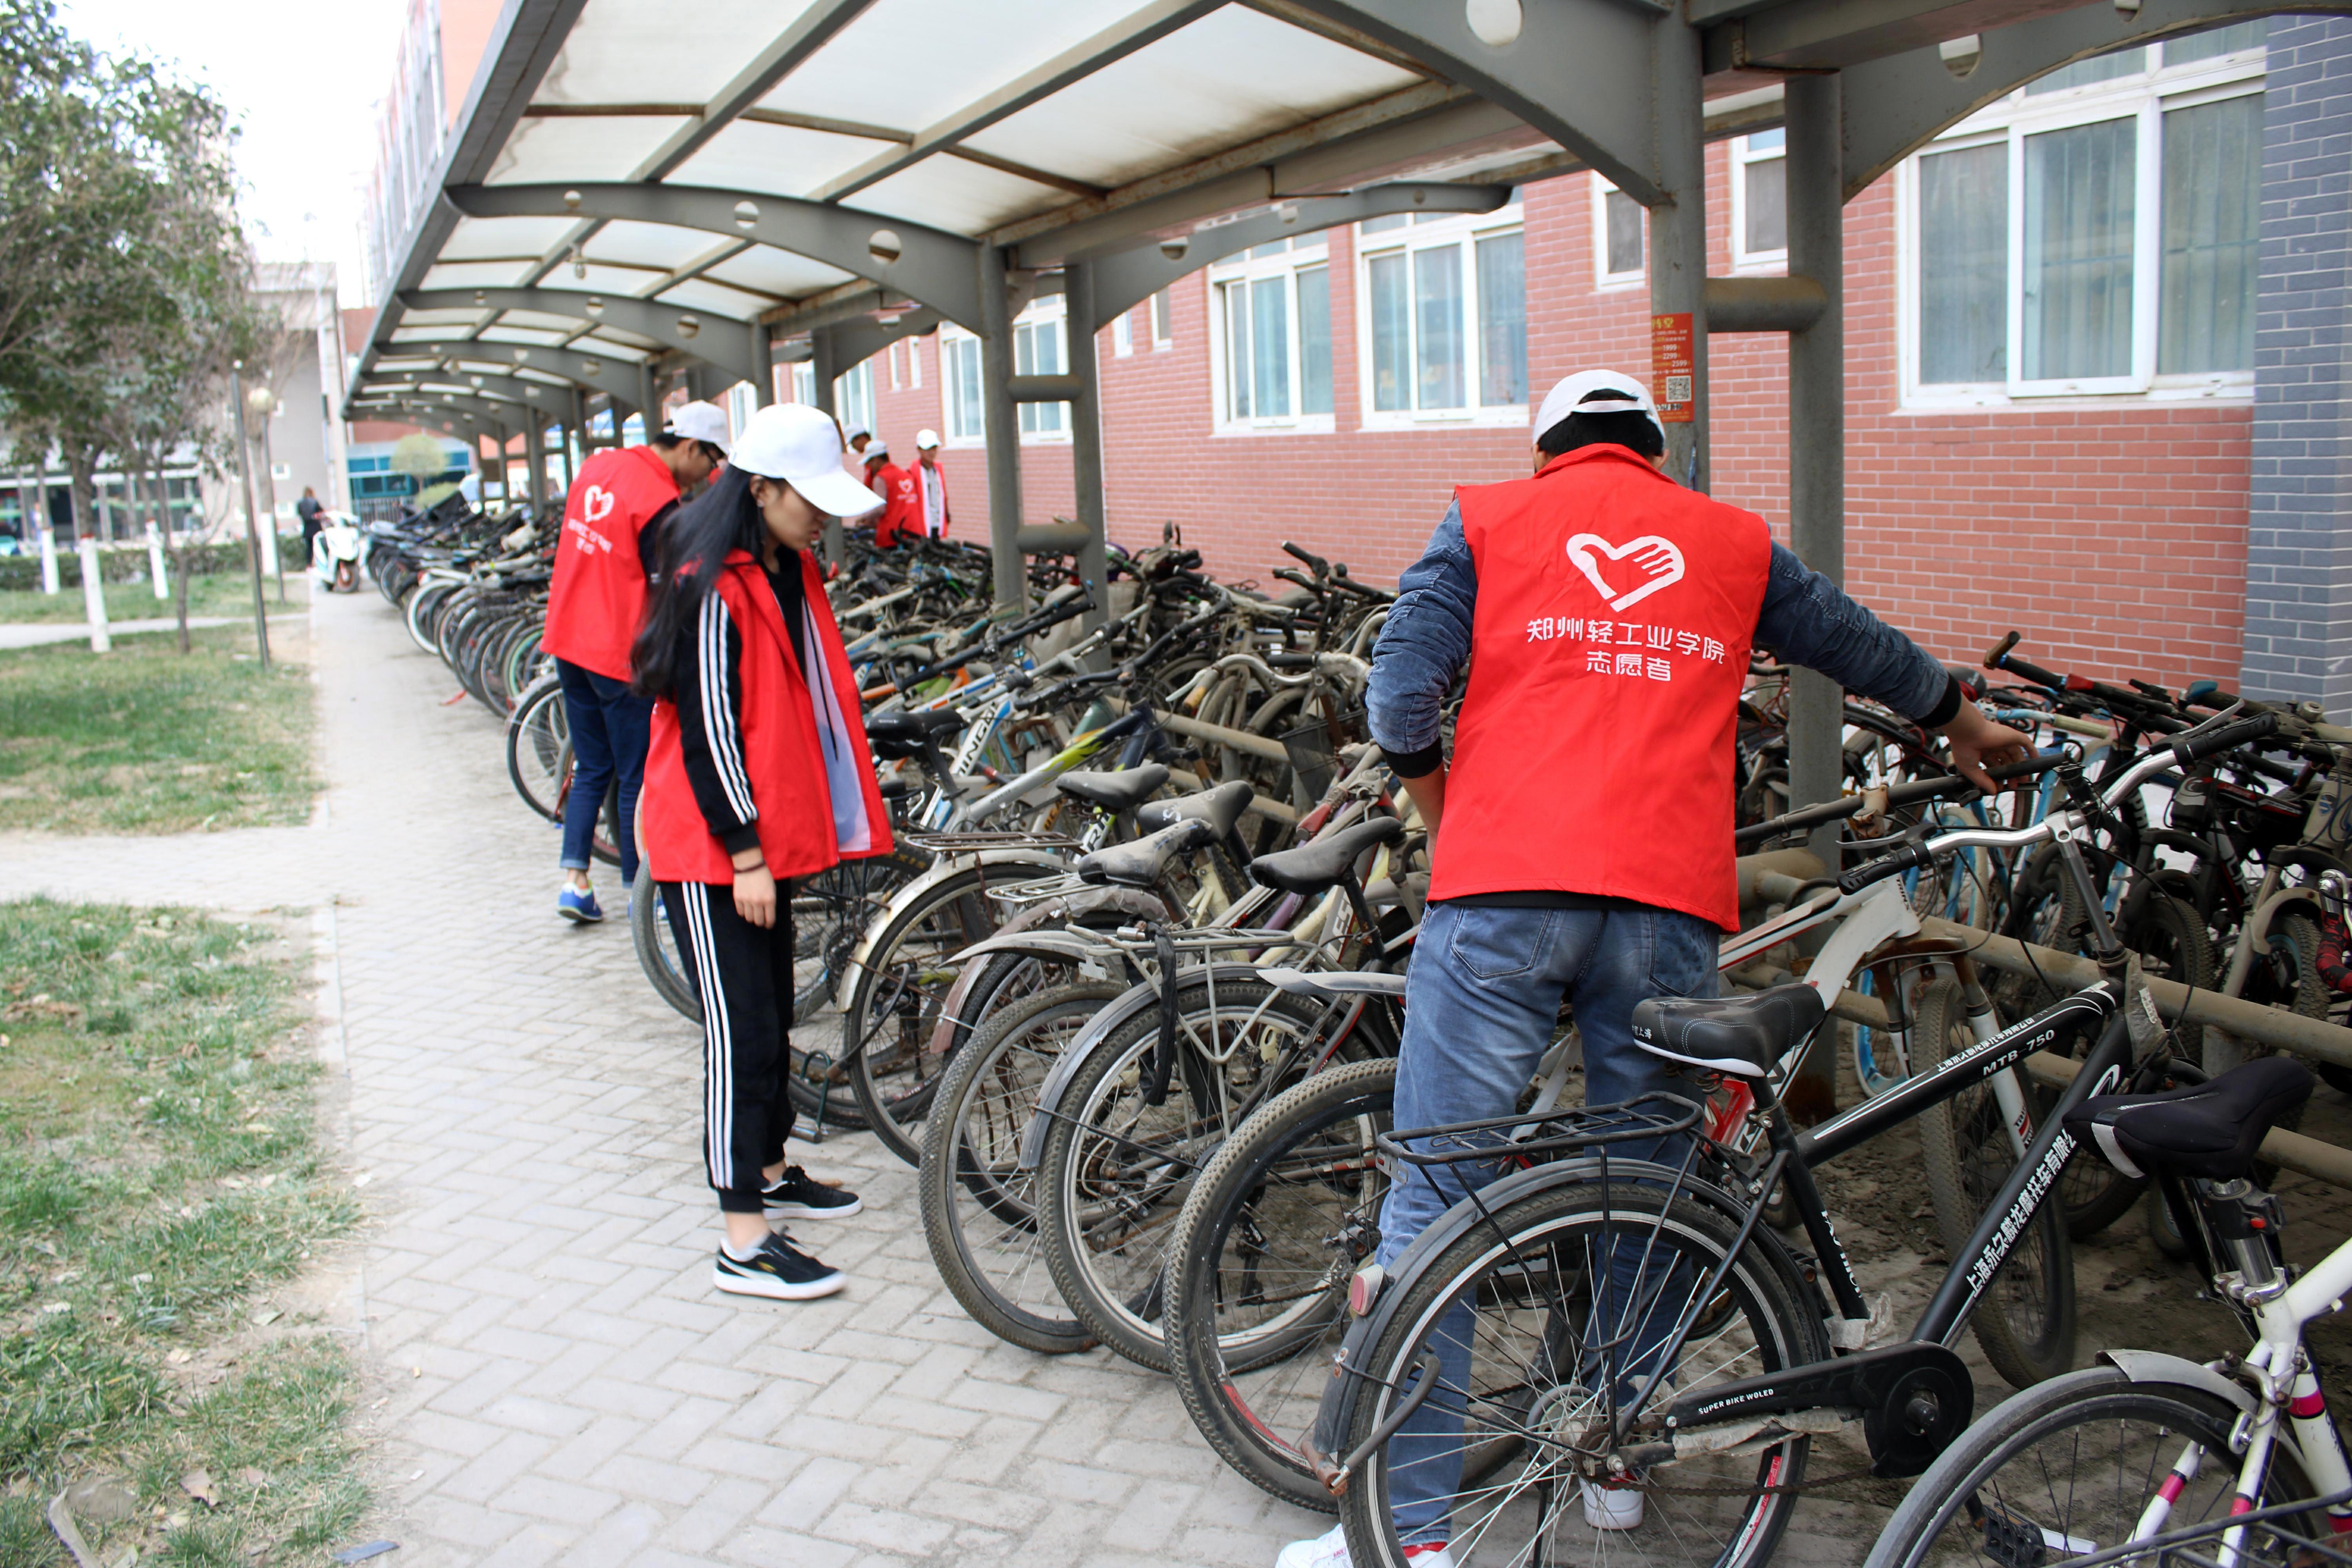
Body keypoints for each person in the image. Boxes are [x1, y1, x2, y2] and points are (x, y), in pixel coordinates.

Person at [1274, 371, 2032, 1568]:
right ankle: (1615, 1465)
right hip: (1663, 904)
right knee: (1649, 1189)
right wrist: (1960, 718)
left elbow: (1400, 699)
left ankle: (1407, 1535)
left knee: (1437, 1202)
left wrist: (1446, 811)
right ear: (1655, 455)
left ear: (1545, 454)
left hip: (1502, 892)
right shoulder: (1728, 540)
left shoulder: (1486, 517)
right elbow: (1851, 642)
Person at [630, 403, 892, 1301]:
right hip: (711, 846)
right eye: (809, 500)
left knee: (771, 1010)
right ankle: (742, 1235)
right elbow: (709, 729)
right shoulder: (709, 580)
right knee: (738, 1029)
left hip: (758, 839)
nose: (822, 518)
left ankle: (772, 1167)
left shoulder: (785, 565)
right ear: (762, 489)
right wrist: (744, 853)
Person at [539, 400, 730, 924]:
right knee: (636, 774)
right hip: (614, 651)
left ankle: (575, 882)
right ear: (690, 447)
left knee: (591, 765)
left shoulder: (599, 465)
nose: (708, 474)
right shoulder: (658, 500)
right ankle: (640, 891)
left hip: (568, 639)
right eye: (711, 460)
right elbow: (668, 586)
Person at [863, 440, 916, 549]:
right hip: (913, 533)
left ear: (876, 460)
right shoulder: (906, 475)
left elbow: (880, 509)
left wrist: (862, 518)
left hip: (892, 536)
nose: (869, 466)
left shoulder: (881, 478)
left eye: (869, 462)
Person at [909, 428, 950, 539]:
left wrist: (946, 513)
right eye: (928, 449)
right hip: (922, 525)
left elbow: (942, 495)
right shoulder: (913, 472)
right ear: (919, 450)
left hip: (937, 522)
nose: (932, 453)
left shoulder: (938, 469)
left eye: (934, 448)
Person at [296, 486, 324, 562]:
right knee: (319, 545)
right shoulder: (314, 502)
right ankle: (318, 562)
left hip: (307, 527)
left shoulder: (300, 503)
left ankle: (309, 563)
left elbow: (300, 513)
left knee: (309, 547)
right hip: (316, 526)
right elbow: (321, 511)